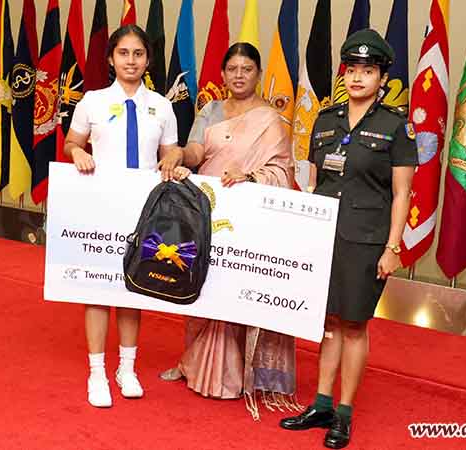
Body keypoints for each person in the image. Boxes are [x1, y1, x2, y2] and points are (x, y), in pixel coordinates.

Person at [279, 29, 418, 448]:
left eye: (368, 70)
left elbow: (402, 194)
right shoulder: (326, 120)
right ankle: (321, 404)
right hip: (325, 237)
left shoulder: (396, 126)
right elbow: (316, 183)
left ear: (382, 77)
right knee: (328, 323)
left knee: (354, 325)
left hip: (366, 241)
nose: (358, 77)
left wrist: (392, 247)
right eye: (352, 69)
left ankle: (343, 413)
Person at [157, 42, 298, 419]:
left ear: (258, 74)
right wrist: (177, 154)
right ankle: (192, 362)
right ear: (222, 74)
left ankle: (241, 374)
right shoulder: (210, 110)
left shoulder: (270, 119)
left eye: (246, 69)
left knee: (237, 290)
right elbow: (196, 152)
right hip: (208, 209)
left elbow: (283, 172)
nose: (238, 75)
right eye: (232, 69)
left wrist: (250, 176)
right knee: (200, 284)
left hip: (249, 216)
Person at [64, 24, 179, 408]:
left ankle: (126, 368)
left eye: (138, 54)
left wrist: (173, 159)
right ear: (111, 59)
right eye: (124, 53)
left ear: (148, 59)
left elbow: (171, 150)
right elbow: (71, 142)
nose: (131, 61)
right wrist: (77, 153)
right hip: (100, 207)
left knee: (133, 286)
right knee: (98, 288)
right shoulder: (92, 101)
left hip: (143, 210)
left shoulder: (161, 105)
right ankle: (97, 370)